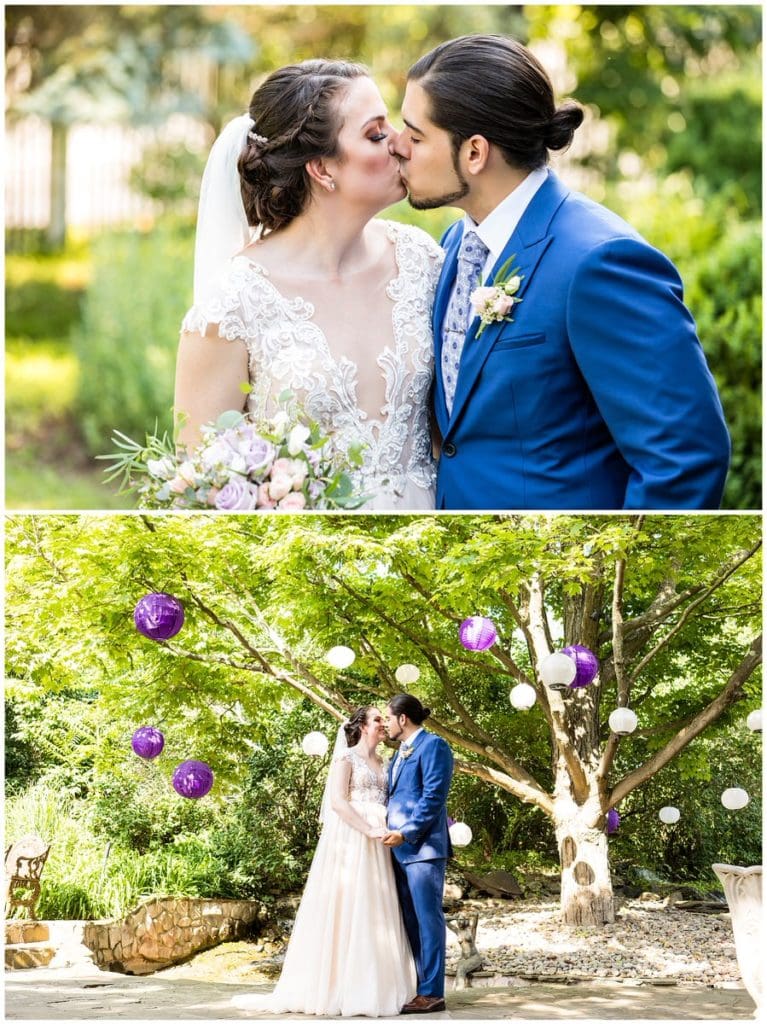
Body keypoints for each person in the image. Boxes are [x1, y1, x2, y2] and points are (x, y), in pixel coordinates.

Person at [391, 34, 731, 511]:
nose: (397, 145)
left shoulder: (602, 262)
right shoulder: (455, 244)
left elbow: (685, 458)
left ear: (474, 152)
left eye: (416, 134)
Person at [174, 59, 443, 511]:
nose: (400, 142)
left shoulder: (423, 259)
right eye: (376, 134)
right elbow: (202, 486)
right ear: (321, 167)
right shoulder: (234, 304)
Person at [232, 707, 416, 1017]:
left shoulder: (383, 761)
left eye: (384, 719)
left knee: (375, 907)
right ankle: (337, 987)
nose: (383, 723)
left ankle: (376, 985)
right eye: (377, 719)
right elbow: (338, 803)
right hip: (352, 839)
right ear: (361, 727)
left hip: (380, 842)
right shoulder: (346, 759)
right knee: (347, 906)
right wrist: (368, 828)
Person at [383, 694, 454, 1014]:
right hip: (397, 852)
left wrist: (407, 832)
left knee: (428, 921)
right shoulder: (398, 753)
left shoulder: (434, 746)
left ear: (403, 719)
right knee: (410, 921)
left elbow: (433, 796)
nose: (385, 723)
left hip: (423, 849)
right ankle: (420, 986)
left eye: (388, 717)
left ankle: (433, 992)